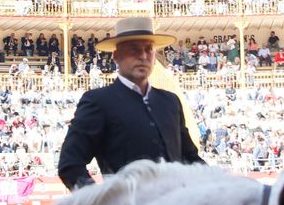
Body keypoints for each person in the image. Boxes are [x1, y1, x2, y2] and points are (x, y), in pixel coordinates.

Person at [58, 16, 203, 190]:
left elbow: (190, 157)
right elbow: (70, 164)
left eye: (149, 49)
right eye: (134, 49)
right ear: (116, 56)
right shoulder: (98, 102)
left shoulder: (170, 101)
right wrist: (103, 203)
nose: (143, 56)